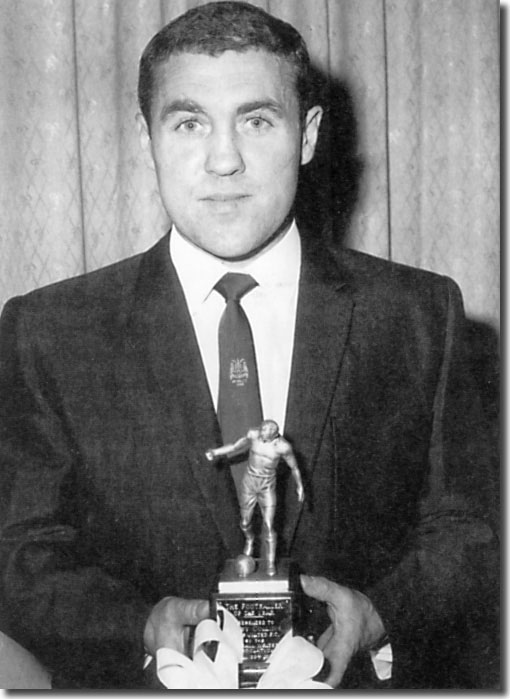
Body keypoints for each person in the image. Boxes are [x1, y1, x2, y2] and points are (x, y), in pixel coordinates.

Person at [0, 0, 498, 690]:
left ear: (309, 135)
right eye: (189, 122)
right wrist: (137, 625)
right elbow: (23, 554)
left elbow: (467, 532)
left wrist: (379, 613)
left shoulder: (418, 314)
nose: (223, 159)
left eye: (257, 121)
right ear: (147, 137)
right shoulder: (51, 329)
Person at [205, 419, 304, 575]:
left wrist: (300, 486)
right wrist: (215, 452)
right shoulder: (253, 434)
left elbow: (295, 467)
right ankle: (250, 539)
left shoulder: (283, 447)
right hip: (249, 484)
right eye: (262, 430)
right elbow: (235, 446)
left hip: (267, 487)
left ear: (275, 435)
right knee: (244, 523)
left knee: (269, 525)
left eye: (265, 432)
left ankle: (271, 563)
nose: (262, 433)